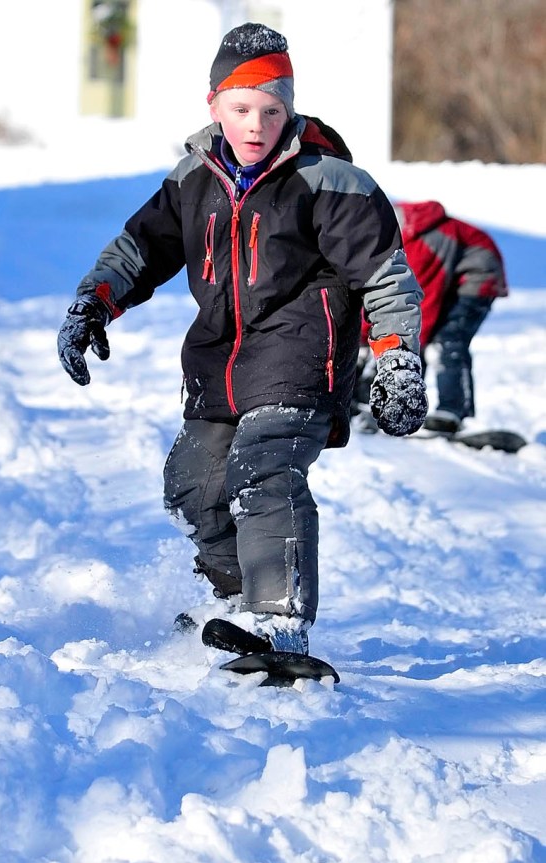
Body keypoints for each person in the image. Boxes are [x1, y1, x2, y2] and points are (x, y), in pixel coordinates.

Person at [57, 22, 427, 656]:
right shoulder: (191, 179)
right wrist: (94, 304)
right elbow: (141, 248)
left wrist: (397, 360)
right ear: (214, 106)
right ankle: (233, 600)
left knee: (265, 468)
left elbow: (384, 276)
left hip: (301, 359)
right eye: (241, 109)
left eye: (271, 110)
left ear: (290, 110)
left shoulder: (331, 182)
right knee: (193, 487)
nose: (256, 125)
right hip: (218, 364)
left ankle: (279, 620)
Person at [352, 200, 508, 434]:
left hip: (479, 277)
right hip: (454, 277)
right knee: (417, 340)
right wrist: (364, 339)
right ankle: (401, 406)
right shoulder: (394, 239)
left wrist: (405, 345)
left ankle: (453, 412)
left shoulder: (423, 244)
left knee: (446, 341)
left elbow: (420, 301)